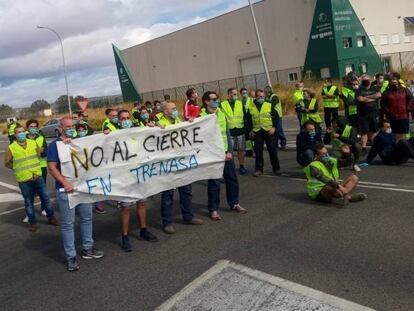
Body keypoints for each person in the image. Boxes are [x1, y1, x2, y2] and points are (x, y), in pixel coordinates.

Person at [48, 117, 104, 272]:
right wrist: (65, 183)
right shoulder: (55, 146)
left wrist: (106, 134)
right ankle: (71, 257)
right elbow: (52, 167)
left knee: (87, 218)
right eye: (67, 126)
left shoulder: (80, 142)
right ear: (61, 127)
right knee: (68, 224)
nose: (71, 128)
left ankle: (88, 248)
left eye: (73, 126)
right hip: (66, 190)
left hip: (83, 188)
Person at [156, 101, 203, 234]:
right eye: (173, 109)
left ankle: (188, 216)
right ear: (165, 112)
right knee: (168, 194)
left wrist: (192, 122)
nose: (176, 110)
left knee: (186, 190)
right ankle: (167, 222)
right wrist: (156, 127)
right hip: (168, 164)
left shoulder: (178, 119)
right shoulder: (158, 121)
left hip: (182, 161)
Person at [114, 110, 158, 251]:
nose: (126, 120)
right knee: (126, 208)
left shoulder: (138, 131)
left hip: (140, 173)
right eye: (123, 118)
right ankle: (125, 236)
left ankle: (143, 230)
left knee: (142, 203)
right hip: (124, 177)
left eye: (128, 118)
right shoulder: (114, 136)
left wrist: (153, 128)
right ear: (119, 121)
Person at [200, 91, 247, 220]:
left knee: (232, 178)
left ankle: (234, 203)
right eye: (214, 99)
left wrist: (230, 151)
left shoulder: (221, 113)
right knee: (214, 182)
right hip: (212, 154)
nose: (217, 101)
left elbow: (227, 133)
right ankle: (213, 209)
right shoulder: (201, 116)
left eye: (217, 99)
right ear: (206, 101)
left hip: (225, 152)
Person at [4, 125, 58, 232]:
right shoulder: (11, 147)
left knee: (45, 197)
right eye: (19, 132)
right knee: (29, 201)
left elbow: (40, 155)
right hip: (24, 179)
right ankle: (32, 223)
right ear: (15, 135)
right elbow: (7, 163)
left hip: (37, 175)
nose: (21, 133)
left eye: (23, 131)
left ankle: (51, 218)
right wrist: (17, 168)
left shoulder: (33, 143)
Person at [246, 89, 281, 177]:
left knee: (272, 150)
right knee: (258, 152)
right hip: (257, 132)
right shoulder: (251, 107)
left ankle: (276, 168)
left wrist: (274, 128)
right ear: (256, 97)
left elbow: (276, 117)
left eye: (263, 96)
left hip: (269, 131)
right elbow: (248, 120)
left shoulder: (269, 105)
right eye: (259, 96)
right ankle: (258, 169)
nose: (261, 98)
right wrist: (250, 130)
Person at [220, 88, 248, 175]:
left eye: (236, 94)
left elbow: (245, 116)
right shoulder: (222, 105)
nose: (236, 96)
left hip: (240, 130)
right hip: (229, 132)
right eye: (234, 94)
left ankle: (242, 166)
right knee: (229, 151)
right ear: (229, 95)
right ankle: (230, 168)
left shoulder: (240, 103)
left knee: (241, 150)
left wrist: (247, 129)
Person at [356, 74, 382, 152]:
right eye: (364, 80)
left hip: (374, 113)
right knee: (364, 131)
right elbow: (360, 99)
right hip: (363, 114)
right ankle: (364, 147)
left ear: (370, 80)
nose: (366, 81)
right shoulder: (359, 90)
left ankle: (374, 144)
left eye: (367, 80)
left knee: (374, 129)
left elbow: (379, 95)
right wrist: (372, 97)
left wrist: (366, 98)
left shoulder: (375, 88)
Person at [382, 77, 412, 142]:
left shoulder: (404, 90)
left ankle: (404, 145)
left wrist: (408, 107)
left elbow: (411, 99)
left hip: (404, 115)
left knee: (404, 132)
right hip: (393, 116)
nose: (394, 84)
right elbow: (383, 103)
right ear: (390, 83)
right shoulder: (386, 92)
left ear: (398, 82)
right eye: (392, 83)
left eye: (395, 82)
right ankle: (398, 145)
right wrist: (387, 110)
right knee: (395, 132)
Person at [264, 86, 286, 150]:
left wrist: (266, 102)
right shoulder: (268, 97)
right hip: (271, 116)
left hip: (277, 116)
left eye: (265, 93)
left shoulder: (274, 97)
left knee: (279, 130)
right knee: (274, 132)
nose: (264, 94)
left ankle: (283, 144)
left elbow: (272, 105)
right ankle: (275, 144)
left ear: (268, 92)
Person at [240, 88, 254, 157]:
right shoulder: (240, 102)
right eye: (243, 93)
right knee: (247, 138)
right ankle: (249, 151)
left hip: (251, 120)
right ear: (241, 94)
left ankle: (255, 150)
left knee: (253, 137)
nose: (244, 94)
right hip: (244, 122)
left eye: (245, 92)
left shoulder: (251, 100)